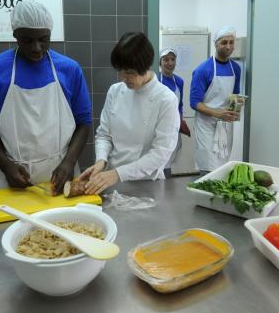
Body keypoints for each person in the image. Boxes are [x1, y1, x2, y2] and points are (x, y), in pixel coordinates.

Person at [0, 0, 92, 193]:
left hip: (61, 171)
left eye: (43, 39)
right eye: (27, 40)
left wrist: (69, 162)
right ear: (15, 35)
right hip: (15, 173)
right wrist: (6, 166)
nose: (37, 47)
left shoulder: (69, 69)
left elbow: (84, 121)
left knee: (68, 223)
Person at [79, 32, 180, 194]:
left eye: (130, 72)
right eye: (121, 71)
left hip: (146, 185)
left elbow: (160, 153)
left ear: (145, 65)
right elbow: (104, 135)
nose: (124, 77)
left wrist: (117, 174)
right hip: (110, 181)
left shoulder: (166, 99)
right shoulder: (115, 91)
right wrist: (101, 161)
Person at [190, 26, 241, 175]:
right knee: (208, 168)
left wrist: (235, 110)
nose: (228, 46)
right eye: (224, 42)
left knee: (222, 167)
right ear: (216, 44)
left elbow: (235, 95)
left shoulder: (236, 69)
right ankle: (206, 198)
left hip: (225, 126)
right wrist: (217, 113)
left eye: (231, 42)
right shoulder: (203, 70)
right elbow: (194, 103)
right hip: (206, 126)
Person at [157, 47, 191, 176]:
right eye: (166, 60)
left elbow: (180, 104)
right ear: (160, 62)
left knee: (170, 159)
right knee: (158, 159)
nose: (170, 63)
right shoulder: (155, 80)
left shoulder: (179, 81)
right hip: (158, 127)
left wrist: (180, 121)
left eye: (173, 59)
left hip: (174, 127)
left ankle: (166, 185)